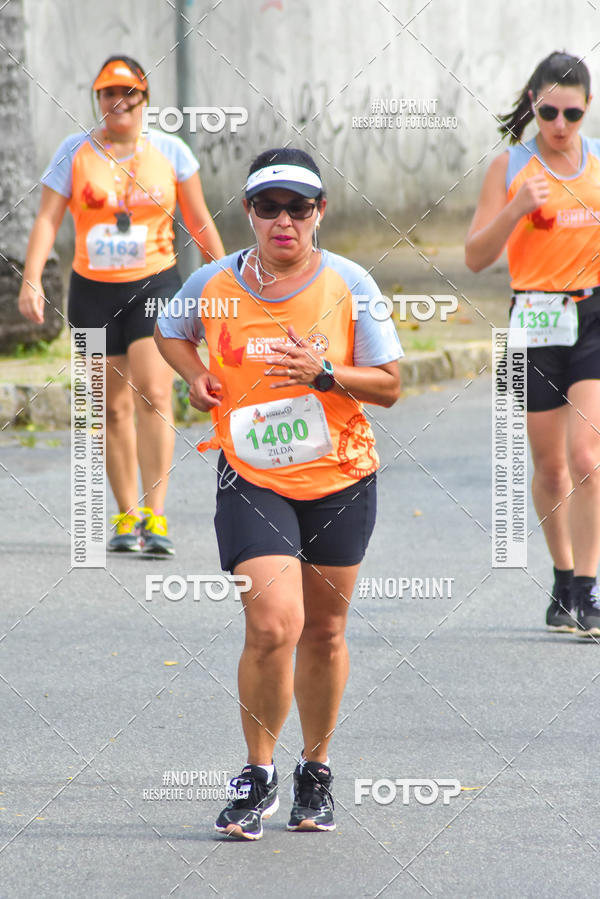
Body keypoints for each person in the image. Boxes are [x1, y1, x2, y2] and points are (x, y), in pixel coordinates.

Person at [155, 147, 402, 839]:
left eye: (299, 207)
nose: (284, 220)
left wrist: (327, 374)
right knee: (272, 623)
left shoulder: (350, 283)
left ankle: (315, 770)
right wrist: (194, 373)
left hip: (341, 478)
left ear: (319, 213)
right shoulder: (211, 282)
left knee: (324, 631)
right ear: (250, 214)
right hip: (251, 474)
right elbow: (167, 331)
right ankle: (257, 772)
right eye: (270, 207)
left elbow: (389, 384)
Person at [18, 55, 225, 555]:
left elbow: (197, 220)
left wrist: (226, 278)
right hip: (91, 292)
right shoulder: (74, 152)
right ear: (99, 100)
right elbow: (48, 219)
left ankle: (156, 515)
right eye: (109, 93)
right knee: (108, 407)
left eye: (128, 92)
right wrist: (31, 280)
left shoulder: (172, 152)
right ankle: (126, 515)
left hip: (155, 286)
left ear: (144, 97)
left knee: (153, 391)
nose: (119, 102)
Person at [465, 51, 600, 637]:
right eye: (548, 111)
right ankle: (563, 580)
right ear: (533, 105)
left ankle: (590, 589)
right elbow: (475, 257)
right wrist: (517, 208)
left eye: (572, 112)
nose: (560, 124)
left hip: (592, 313)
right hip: (532, 320)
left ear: (588, 108)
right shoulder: (509, 167)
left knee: (586, 458)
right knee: (549, 470)